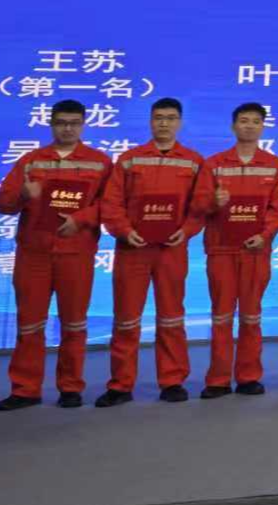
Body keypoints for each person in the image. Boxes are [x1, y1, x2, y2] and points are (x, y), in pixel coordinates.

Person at [0, 99, 112, 411]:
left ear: (83, 124)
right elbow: (3, 204)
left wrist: (81, 219)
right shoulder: (31, 161)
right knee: (29, 324)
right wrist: (22, 194)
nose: (67, 129)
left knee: (74, 323)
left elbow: (110, 204)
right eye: (61, 123)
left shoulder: (100, 162)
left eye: (74, 123)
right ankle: (25, 389)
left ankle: (70, 387)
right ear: (51, 124)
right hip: (34, 254)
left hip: (76, 252)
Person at [95, 97, 204, 406]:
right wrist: (124, 230)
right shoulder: (130, 159)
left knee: (171, 317)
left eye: (170, 118)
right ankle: (121, 384)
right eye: (158, 117)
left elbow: (200, 204)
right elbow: (112, 202)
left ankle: (172, 380)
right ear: (150, 121)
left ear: (179, 122)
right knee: (126, 318)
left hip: (171, 249)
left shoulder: (193, 161)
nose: (164, 123)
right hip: (133, 248)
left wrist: (187, 230)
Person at [190, 103, 278, 398]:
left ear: (263, 127)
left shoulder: (274, 165)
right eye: (244, 121)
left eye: (255, 121)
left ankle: (248, 376)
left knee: (251, 316)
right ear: (233, 126)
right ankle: (218, 379)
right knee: (221, 316)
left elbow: (276, 209)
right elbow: (197, 206)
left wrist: (265, 235)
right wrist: (213, 202)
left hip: (255, 251)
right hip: (221, 250)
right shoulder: (214, 164)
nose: (249, 126)